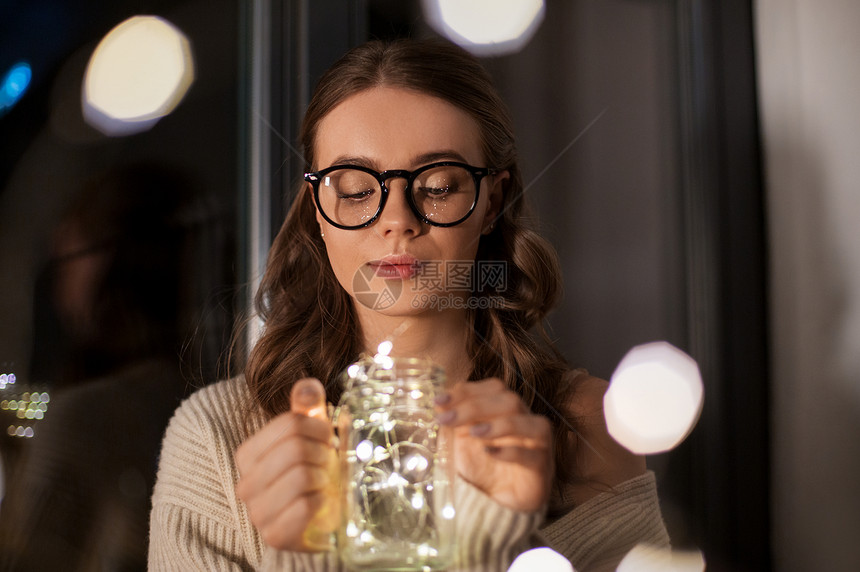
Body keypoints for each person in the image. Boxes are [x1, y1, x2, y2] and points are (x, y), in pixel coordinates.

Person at [148, 38, 669, 572]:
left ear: (491, 202)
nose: (397, 219)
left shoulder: (585, 430)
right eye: (354, 190)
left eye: (439, 186)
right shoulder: (220, 439)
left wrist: (499, 541)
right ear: (317, 211)